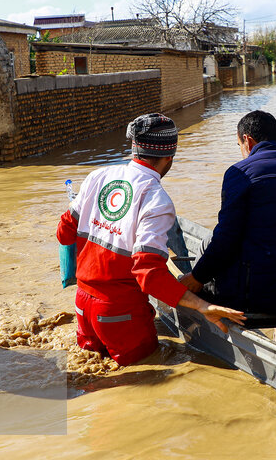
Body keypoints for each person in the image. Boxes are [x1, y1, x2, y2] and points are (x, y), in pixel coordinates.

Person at [56, 113, 245, 365]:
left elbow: (64, 231)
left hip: (82, 305)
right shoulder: (156, 199)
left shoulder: (97, 177)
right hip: (119, 313)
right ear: (170, 157)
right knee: (144, 377)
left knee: (93, 378)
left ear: (135, 149)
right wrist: (201, 305)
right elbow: (149, 274)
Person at [179, 110, 276, 346]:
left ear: (248, 140)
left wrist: (197, 277)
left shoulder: (239, 172)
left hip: (258, 296)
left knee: (210, 248)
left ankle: (213, 337)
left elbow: (226, 239)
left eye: (239, 144)